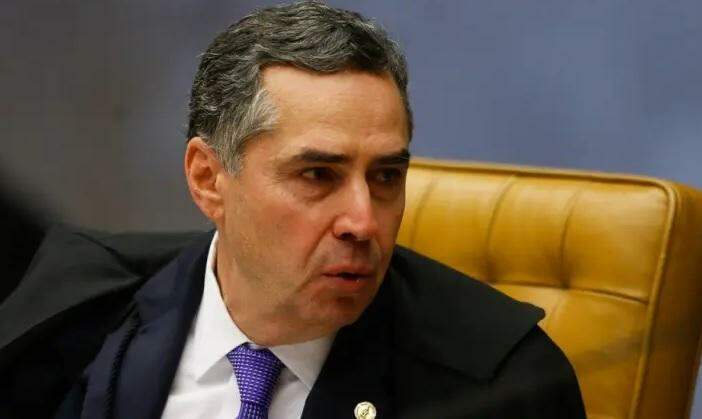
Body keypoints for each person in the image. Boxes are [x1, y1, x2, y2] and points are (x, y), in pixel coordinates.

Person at [0, 2, 585, 418]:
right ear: (208, 179)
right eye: (317, 175)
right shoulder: (76, 318)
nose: (363, 221)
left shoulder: (500, 386)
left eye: (386, 176)